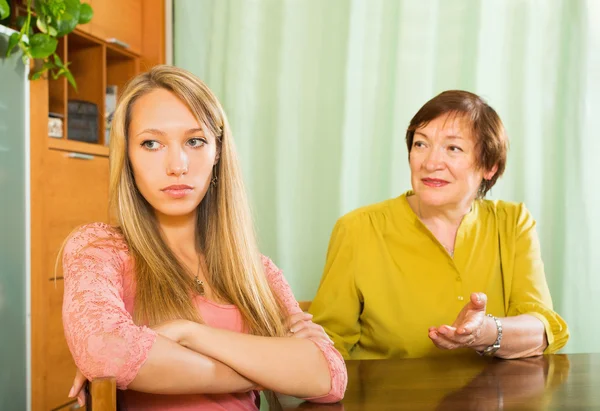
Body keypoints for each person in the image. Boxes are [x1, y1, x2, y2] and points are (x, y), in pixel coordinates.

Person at [61, 65, 347, 410]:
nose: (177, 164)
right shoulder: (99, 249)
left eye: (195, 141)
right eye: (151, 143)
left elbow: (329, 376)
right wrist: (268, 369)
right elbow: (106, 352)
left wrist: (189, 333)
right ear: (128, 159)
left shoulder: (257, 272)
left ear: (218, 153)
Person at [309, 90, 569, 360]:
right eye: (421, 144)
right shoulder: (358, 229)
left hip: (492, 400)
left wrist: (484, 332)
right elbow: (327, 344)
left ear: (489, 165)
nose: (430, 163)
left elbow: (541, 329)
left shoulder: (512, 222)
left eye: (453, 148)